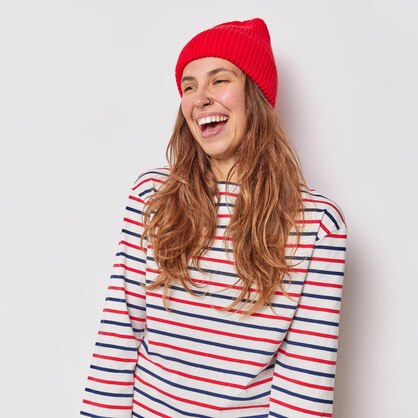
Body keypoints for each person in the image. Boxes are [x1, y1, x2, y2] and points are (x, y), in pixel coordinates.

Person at [80, 17, 347, 418]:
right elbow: (120, 337)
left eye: (219, 80)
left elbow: (303, 386)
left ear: (254, 96)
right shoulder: (152, 196)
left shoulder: (317, 225)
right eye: (189, 86)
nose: (199, 98)